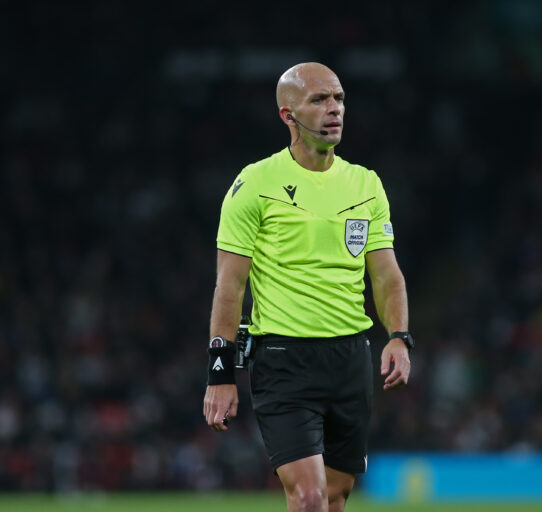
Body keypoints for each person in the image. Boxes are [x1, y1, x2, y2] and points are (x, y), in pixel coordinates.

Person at [203, 62, 412, 512]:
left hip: (350, 359)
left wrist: (398, 337)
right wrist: (220, 374)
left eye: (338, 98)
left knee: (335, 498)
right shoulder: (255, 184)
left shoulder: (366, 184)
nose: (334, 109)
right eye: (319, 100)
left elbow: (385, 273)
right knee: (310, 496)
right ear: (287, 114)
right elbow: (229, 285)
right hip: (283, 360)